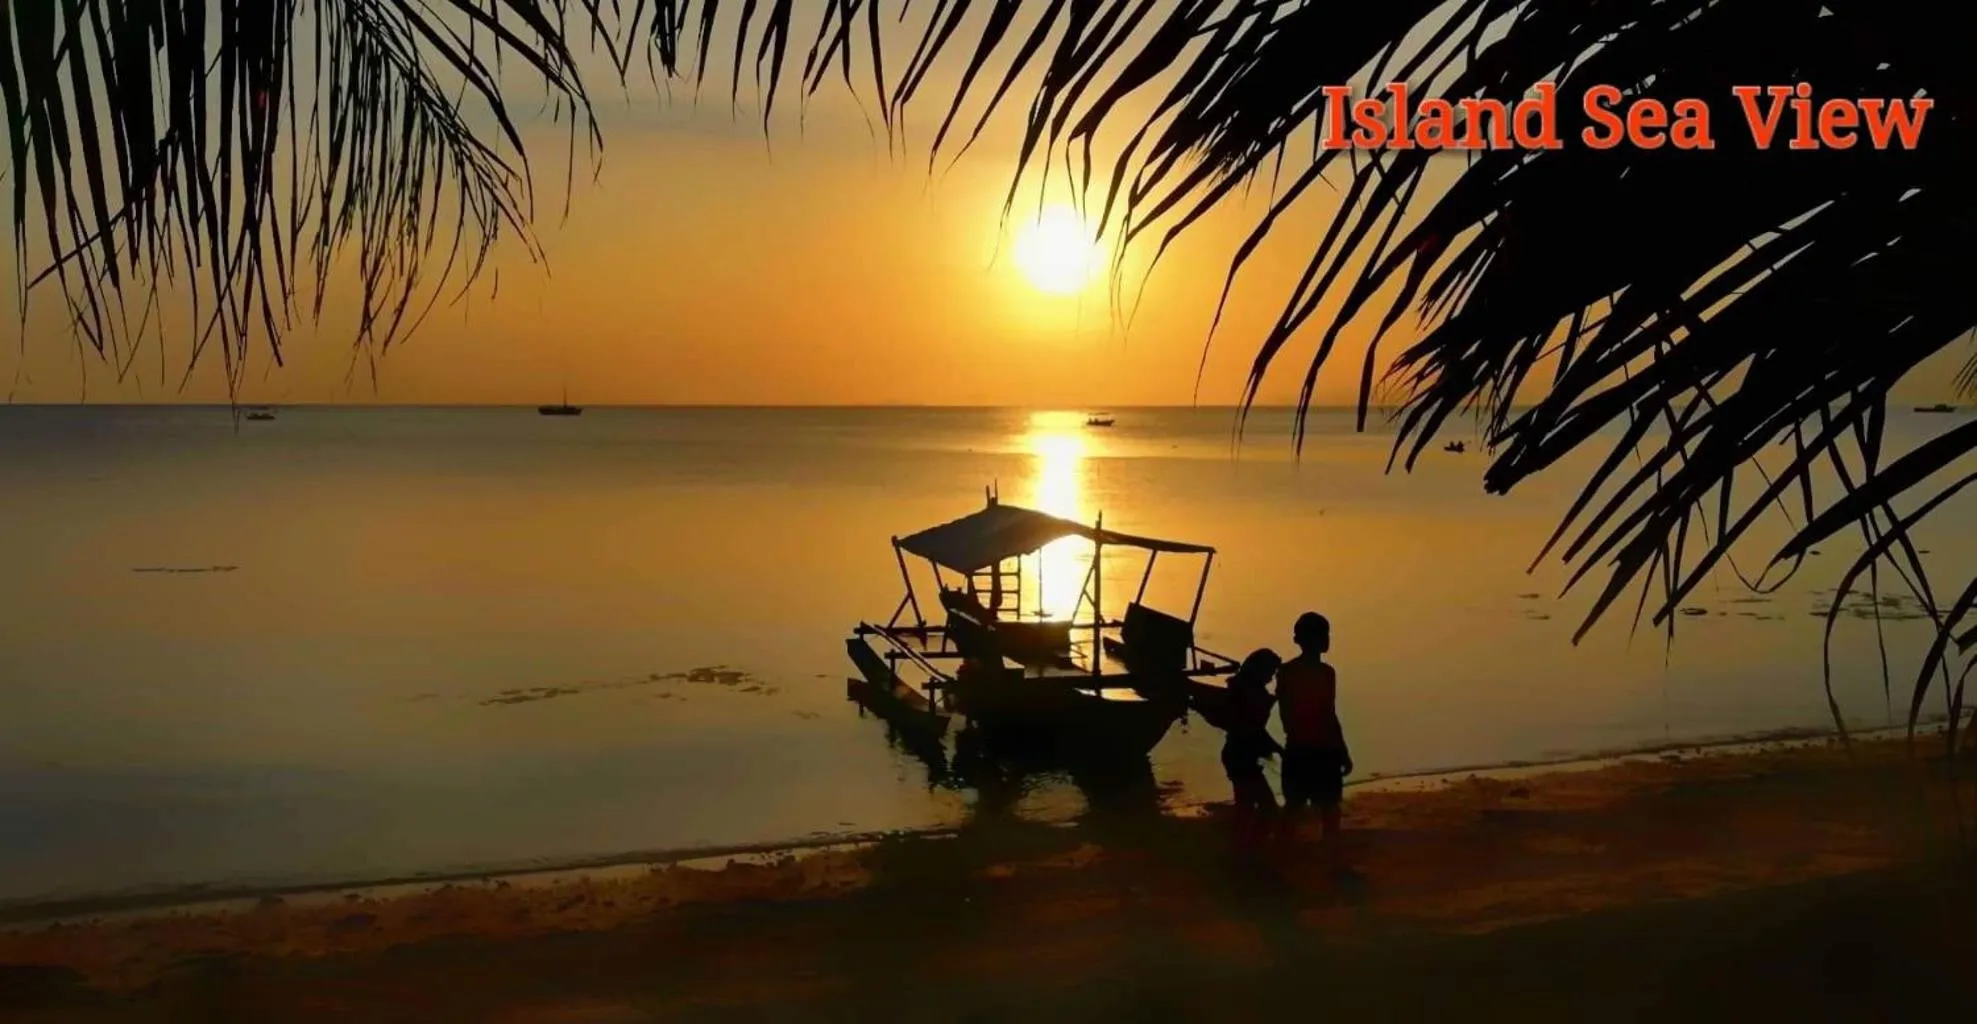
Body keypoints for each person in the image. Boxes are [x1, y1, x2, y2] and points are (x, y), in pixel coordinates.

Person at [1275, 612, 1352, 848]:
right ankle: (1329, 852)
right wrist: (1341, 750)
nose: (1328, 639)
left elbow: (1286, 714)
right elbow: (1327, 714)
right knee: (1327, 806)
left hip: (1299, 746)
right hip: (1320, 748)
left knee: (1295, 804)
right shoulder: (1325, 673)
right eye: (1324, 635)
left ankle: (1285, 851)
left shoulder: (1287, 672)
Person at [1217, 648, 1284, 846]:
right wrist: (1277, 748)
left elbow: (1254, 728)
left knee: (1245, 807)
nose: (1271, 678)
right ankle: (1251, 847)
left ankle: (1243, 848)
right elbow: (1253, 728)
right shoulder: (1250, 693)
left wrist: (1276, 748)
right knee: (1267, 808)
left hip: (1236, 754)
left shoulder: (1243, 688)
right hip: (1241, 756)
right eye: (1270, 673)